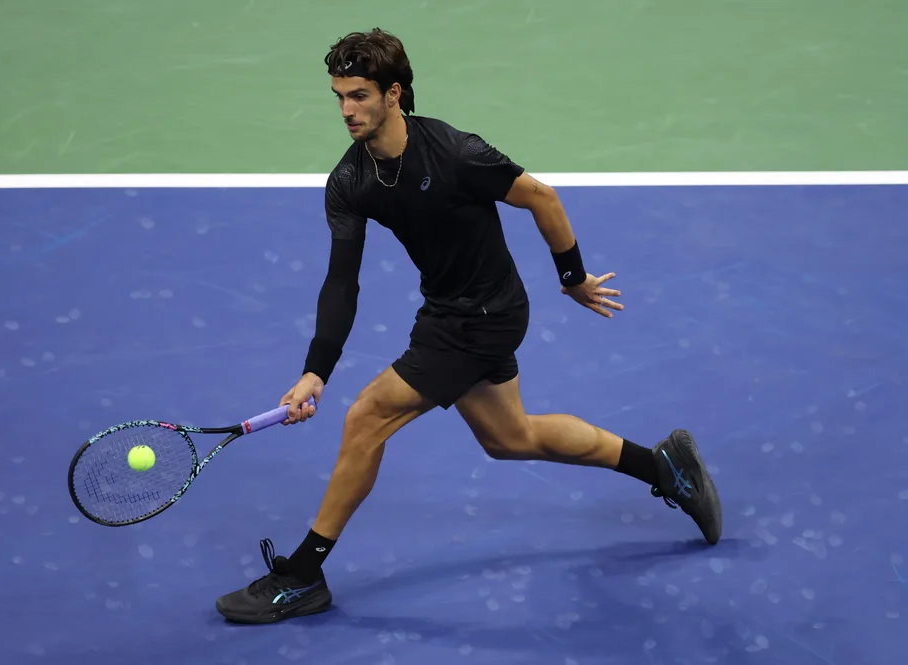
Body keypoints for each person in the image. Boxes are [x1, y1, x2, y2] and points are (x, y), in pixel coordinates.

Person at [214, 28, 722, 624]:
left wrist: (572, 278)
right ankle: (664, 467)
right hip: (449, 311)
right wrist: (315, 371)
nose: (347, 110)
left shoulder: (455, 153)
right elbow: (342, 283)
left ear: (393, 94)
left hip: (485, 318)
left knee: (366, 418)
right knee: (511, 438)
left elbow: (542, 197)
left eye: (359, 95)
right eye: (339, 97)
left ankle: (303, 576)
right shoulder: (350, 181)